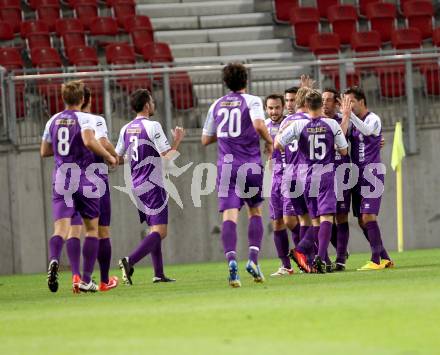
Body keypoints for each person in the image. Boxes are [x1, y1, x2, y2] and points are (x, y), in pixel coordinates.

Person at [41, 80, 117, 293]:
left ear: (63, 98)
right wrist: (109, 156)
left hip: (61, 177)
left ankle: (54, 259)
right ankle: (86, 280)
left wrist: (60, 152)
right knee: (92, 229)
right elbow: (90, 141)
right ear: (83, 99)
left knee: (62, 229)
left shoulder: (53, 120)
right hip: (84, 176)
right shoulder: (86, 118)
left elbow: (44, 151)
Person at [201, 63, 273, 288]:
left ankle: (231, 261)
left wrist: (224, 133)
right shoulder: (251, 101)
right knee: (255, 210)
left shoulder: (216, 104)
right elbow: (260, 126)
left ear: (226, 82)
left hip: (226, 167)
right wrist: (270, 142)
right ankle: (253, 260)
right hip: (249, 164)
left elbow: (205, 139)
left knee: (229, 217)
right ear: (246, 80)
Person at [276, 90, 349, 273]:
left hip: (305, 177)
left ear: (307, 106)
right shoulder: (332, 124)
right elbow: (344, 151)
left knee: (314, 219)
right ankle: (319, 257)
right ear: (321, 106)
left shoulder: (297, 124)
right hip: (325, 175)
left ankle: (319, 258)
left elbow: (278, 145)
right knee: (326, 218)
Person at [116, 89, 184, 284]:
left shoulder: (126, 128)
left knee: (154, 229)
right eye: (152, 101)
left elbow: (117, 158)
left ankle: (159, 273)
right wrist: (177, 141)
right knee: (160, 232)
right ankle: (129, 261)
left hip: (136, 185)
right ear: (146, 104)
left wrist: (133, 158)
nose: (154, 104)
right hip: (153, 183)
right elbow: (166, 159)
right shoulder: (153, 126)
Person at [67, 86, 119, 292]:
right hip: (95, 177)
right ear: (87, 100)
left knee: (74, 229)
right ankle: (104, 281)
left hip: (70, 178)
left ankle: (75, 276)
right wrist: (115, 156)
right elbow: (103, 142)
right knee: (101, 230)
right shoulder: (94, 120)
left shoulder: (64, 121)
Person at [342, 87, 393, 270]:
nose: (347, 106)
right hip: (357, 175)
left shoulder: (373, 118)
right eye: (345, 102)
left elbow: (367, 130)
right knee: (362, 220)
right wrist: (346, 118)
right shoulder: (351, 121)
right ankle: (385, 258)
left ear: (361, 101)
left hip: (372, 173)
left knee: (368, 215)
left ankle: (376, 260)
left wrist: (348, 115)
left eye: (350, 101)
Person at [264, 94, 295, 277]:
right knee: (277, 223)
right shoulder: (264, 127)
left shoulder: (291, 123)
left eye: (277, 107)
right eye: (270, 108)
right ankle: (286, 266)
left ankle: (309, 254)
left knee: (291, 221)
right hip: (274, 178)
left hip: (292, 177)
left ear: (283, 107)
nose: (274, 111)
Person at [322, 88, 351, 271]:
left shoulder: (345, 119)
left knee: (341, 215)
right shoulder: (318, 122)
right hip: (323, 173)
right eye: (322, 99)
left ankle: (340, 258)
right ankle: (337, 250)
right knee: (325, 216)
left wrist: (377, 140)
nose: (324, 102)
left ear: (336, 103)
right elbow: (335, 139)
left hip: (342, 171)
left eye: (328, 99)